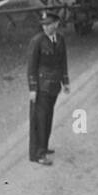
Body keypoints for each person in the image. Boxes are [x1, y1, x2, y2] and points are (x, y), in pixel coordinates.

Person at [26, 10, 70, 165]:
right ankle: (39, 154)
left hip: (54, 86)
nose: (46, 28)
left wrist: (65, 82)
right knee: (40, 120)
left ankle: (43, 146)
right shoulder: (37, 41)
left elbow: (63, 61)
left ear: (56, 24)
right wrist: (32, 89)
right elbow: (31, 67)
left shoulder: (60, 39)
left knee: (48, 117)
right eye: (44, 25)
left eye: (49, 24)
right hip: (41, 87)